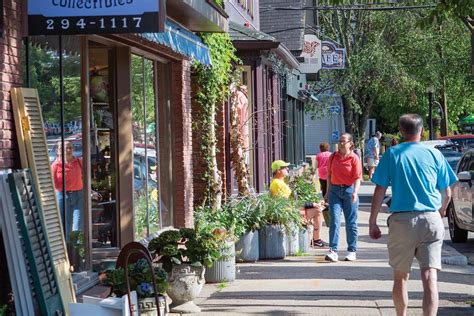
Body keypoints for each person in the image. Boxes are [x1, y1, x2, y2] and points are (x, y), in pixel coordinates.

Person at [369, 114, 457, 316]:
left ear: (401, 131)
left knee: (401, 276)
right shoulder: (434, 154)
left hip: (402, 221)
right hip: (431, 219)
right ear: (422, 131)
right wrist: (441, 210)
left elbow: (380, 190)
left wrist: (373, 221)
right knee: (430, 276)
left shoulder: (393, 154)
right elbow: (448, 191)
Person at [270, 160, 327, 247]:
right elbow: (285, 203)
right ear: (278, 170)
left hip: (290, 209)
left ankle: (316, 239)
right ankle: (316, 239)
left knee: (318, 207)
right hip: (287, 212)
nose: (287, 169)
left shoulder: (280, 182)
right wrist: (309, 205)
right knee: (318, 210)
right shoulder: (277, 183)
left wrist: (311, 204)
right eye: (284, 168)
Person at [324, 133, 362, 262]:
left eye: (343, 141)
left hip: (349, 190)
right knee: (334, 220)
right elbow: (329, 175)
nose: (340, 143)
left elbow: (357, 178)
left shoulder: (354, 158)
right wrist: (327, 192)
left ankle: (352, 250)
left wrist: (355, 193)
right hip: (334, 191)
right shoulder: (333, 157)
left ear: (350, 143)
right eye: (339, 141)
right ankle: (333, 250)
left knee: (351, 222)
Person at [51, 140, 84, 240]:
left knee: (78, 224)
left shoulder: (79, 162)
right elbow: (51, 184)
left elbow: (85, 177)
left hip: (79, 195)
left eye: (70, 147)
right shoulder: (55, 166)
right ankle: (68, 250)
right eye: (64, 148)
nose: (68, 150)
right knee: (66, 225)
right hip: (62, 196)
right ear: (58, 151)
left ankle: (77, 251)